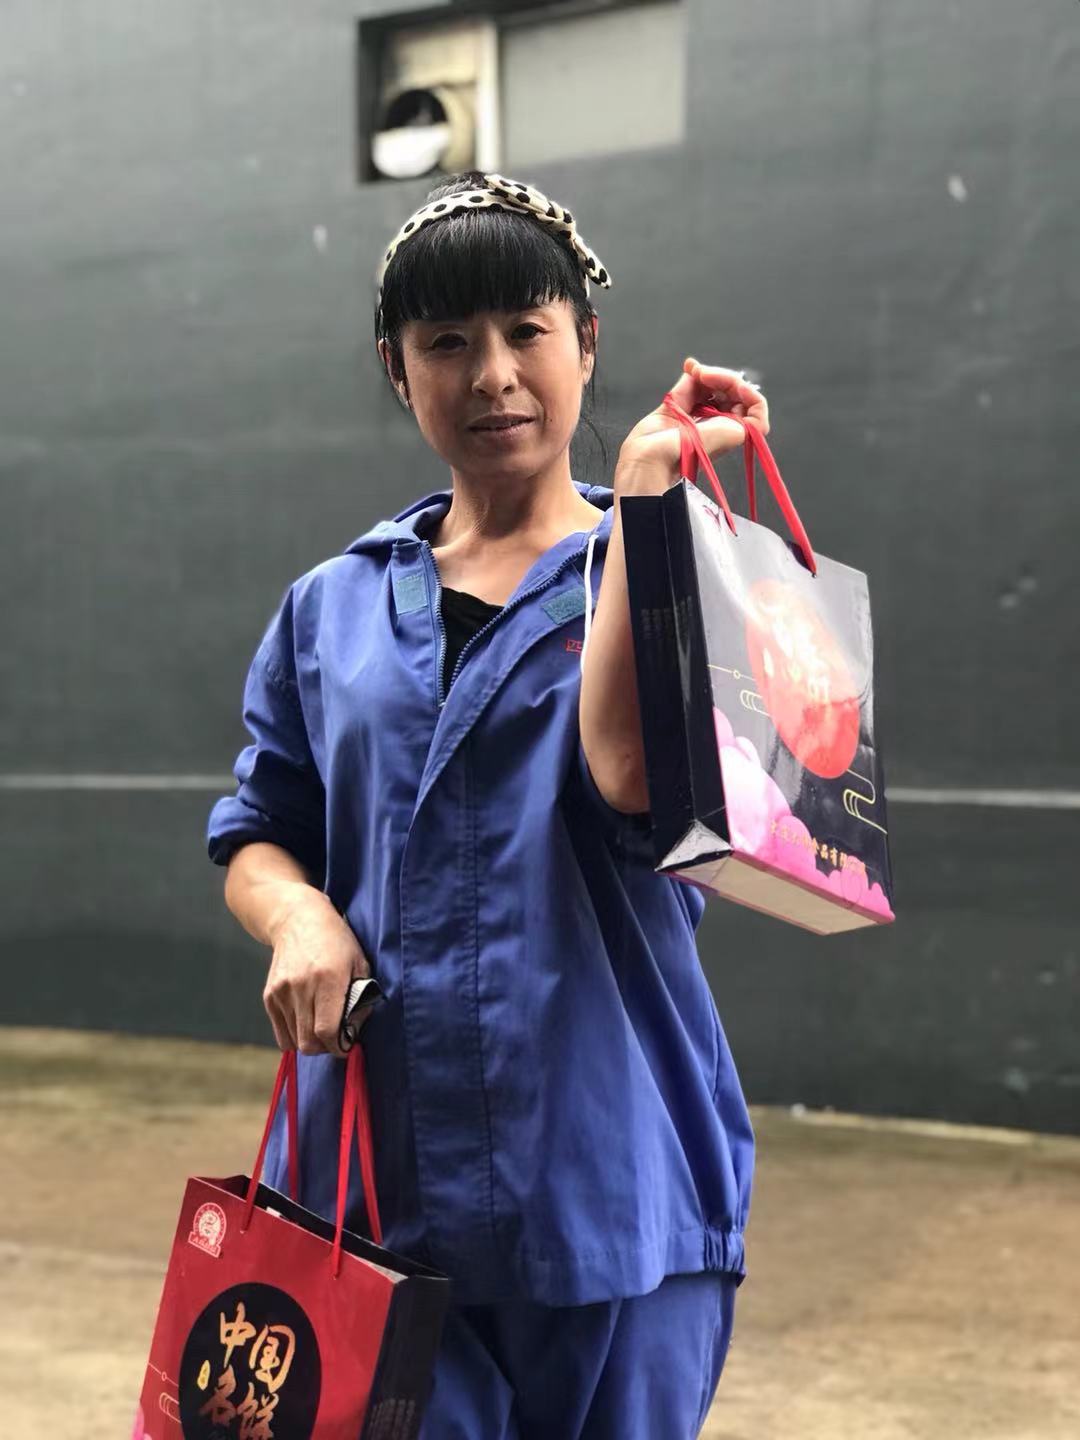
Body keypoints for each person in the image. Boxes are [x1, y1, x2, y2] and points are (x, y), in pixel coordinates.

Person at [207, 169, 767, 1439]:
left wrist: (646, 510)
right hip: (369, 1187)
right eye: (448, 342)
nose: (494, 374)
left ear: (587, 343)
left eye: (526, 330)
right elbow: (259, 831)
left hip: (610, 1179)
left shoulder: (672, 566)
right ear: (398, 370)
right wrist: (298, 918)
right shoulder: (332, 607)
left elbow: (632, 784)